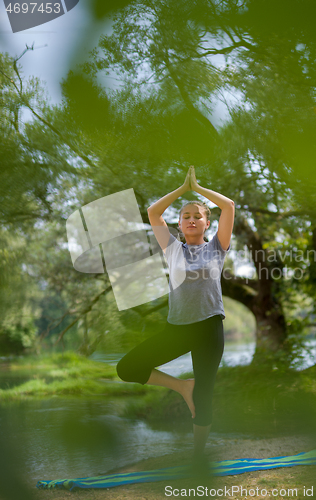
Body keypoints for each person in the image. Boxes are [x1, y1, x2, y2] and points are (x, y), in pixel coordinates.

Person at [116, 166, 235, 470]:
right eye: (186, 216)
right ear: (180, 225)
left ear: (207, 224)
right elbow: (153, 213)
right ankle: (182, 387)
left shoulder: (217, 248)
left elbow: (229, 206)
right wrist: (183, 190)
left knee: (205, 396)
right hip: (178, 328)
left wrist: (199, 188)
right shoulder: (171, 249)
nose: (192, 219)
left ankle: (197, 458)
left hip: (209, 327)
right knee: (127, 367)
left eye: (198, 216)